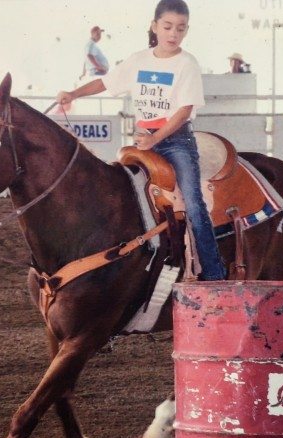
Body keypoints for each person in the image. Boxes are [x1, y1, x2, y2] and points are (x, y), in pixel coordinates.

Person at [58, 0, 226, 281]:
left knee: (194, 203)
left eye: (180, 29)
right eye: (168, 26)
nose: (173, 34)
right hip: (144, 139)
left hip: (176, 141)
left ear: (186, 31)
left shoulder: (187, 63)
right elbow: (106, 82)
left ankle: (214, 273)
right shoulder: (139, 59)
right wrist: (74, 94)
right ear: (155, 26)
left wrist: (156, 138)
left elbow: (184, 110)